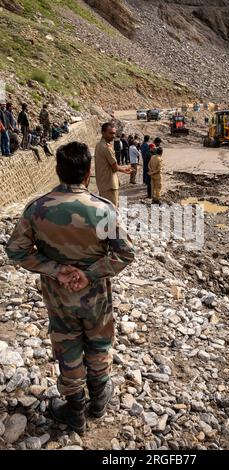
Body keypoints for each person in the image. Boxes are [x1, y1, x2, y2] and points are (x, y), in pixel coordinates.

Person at [6, 141, 135, 434]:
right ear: (89, 172)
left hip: (58, 297)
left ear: (58, 170)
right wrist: (90, 274)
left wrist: (55, 269)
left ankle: (75, 411)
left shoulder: (37, 208)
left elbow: (16, 250)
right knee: (99, 344)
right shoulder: (103, 209)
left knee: (68, 348)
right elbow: (125, 253)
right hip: (96, 298)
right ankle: (99, 402)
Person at [95, 123, 131, 206]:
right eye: (111, 133)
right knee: (113, 211)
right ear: (103, 133)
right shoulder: (106, 147)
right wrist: (125, 170)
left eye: (114, 133)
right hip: (109, 186)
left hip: (103, 185)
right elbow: (114, 167)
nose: (113, 135)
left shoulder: (98, 145)